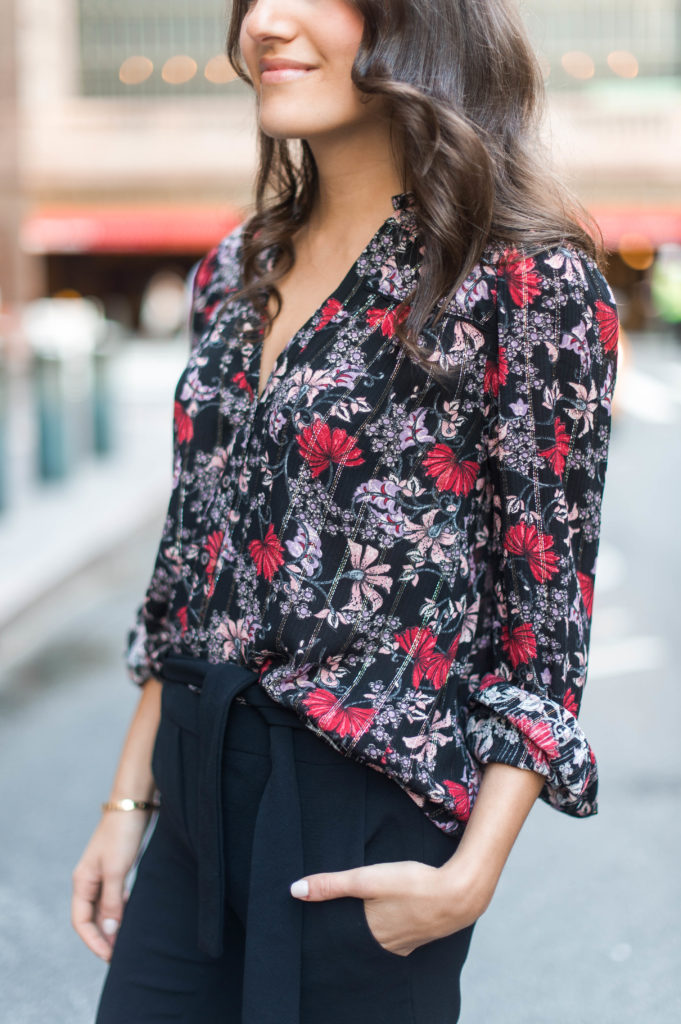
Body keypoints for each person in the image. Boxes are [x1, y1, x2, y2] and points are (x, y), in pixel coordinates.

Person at [71, 1, 619, 1021]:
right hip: (194, 798)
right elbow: (193, 569)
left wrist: (467, 881)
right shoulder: (236, 268)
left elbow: (543, 628)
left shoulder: (526, 282)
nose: (263, 23)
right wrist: (126, 804)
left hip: (362, 817)